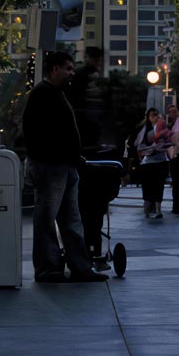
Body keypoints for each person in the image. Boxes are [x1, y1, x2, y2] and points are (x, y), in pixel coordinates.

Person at [22, 51, 107, 283]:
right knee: (48, 218)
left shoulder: (54, 93)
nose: (71, 73)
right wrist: (65, 156)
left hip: (64, 166)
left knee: (70, 219)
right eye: (68, 68)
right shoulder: (44, 94)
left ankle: (79, 266)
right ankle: (49, 267)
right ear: (54, 69)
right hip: (52, 166)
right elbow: (40, 134)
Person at [133, 108, 171, 219]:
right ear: (148, 117)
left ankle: (158, 210)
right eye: (152, 115)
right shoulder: (144, 130)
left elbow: (169, 142)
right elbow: (138, 145)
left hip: (161, 161)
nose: (155, 117)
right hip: (148, 162)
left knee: (159, 186)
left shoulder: (164, 128)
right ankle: (147, 210)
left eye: (156, 115)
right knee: (148, 186)